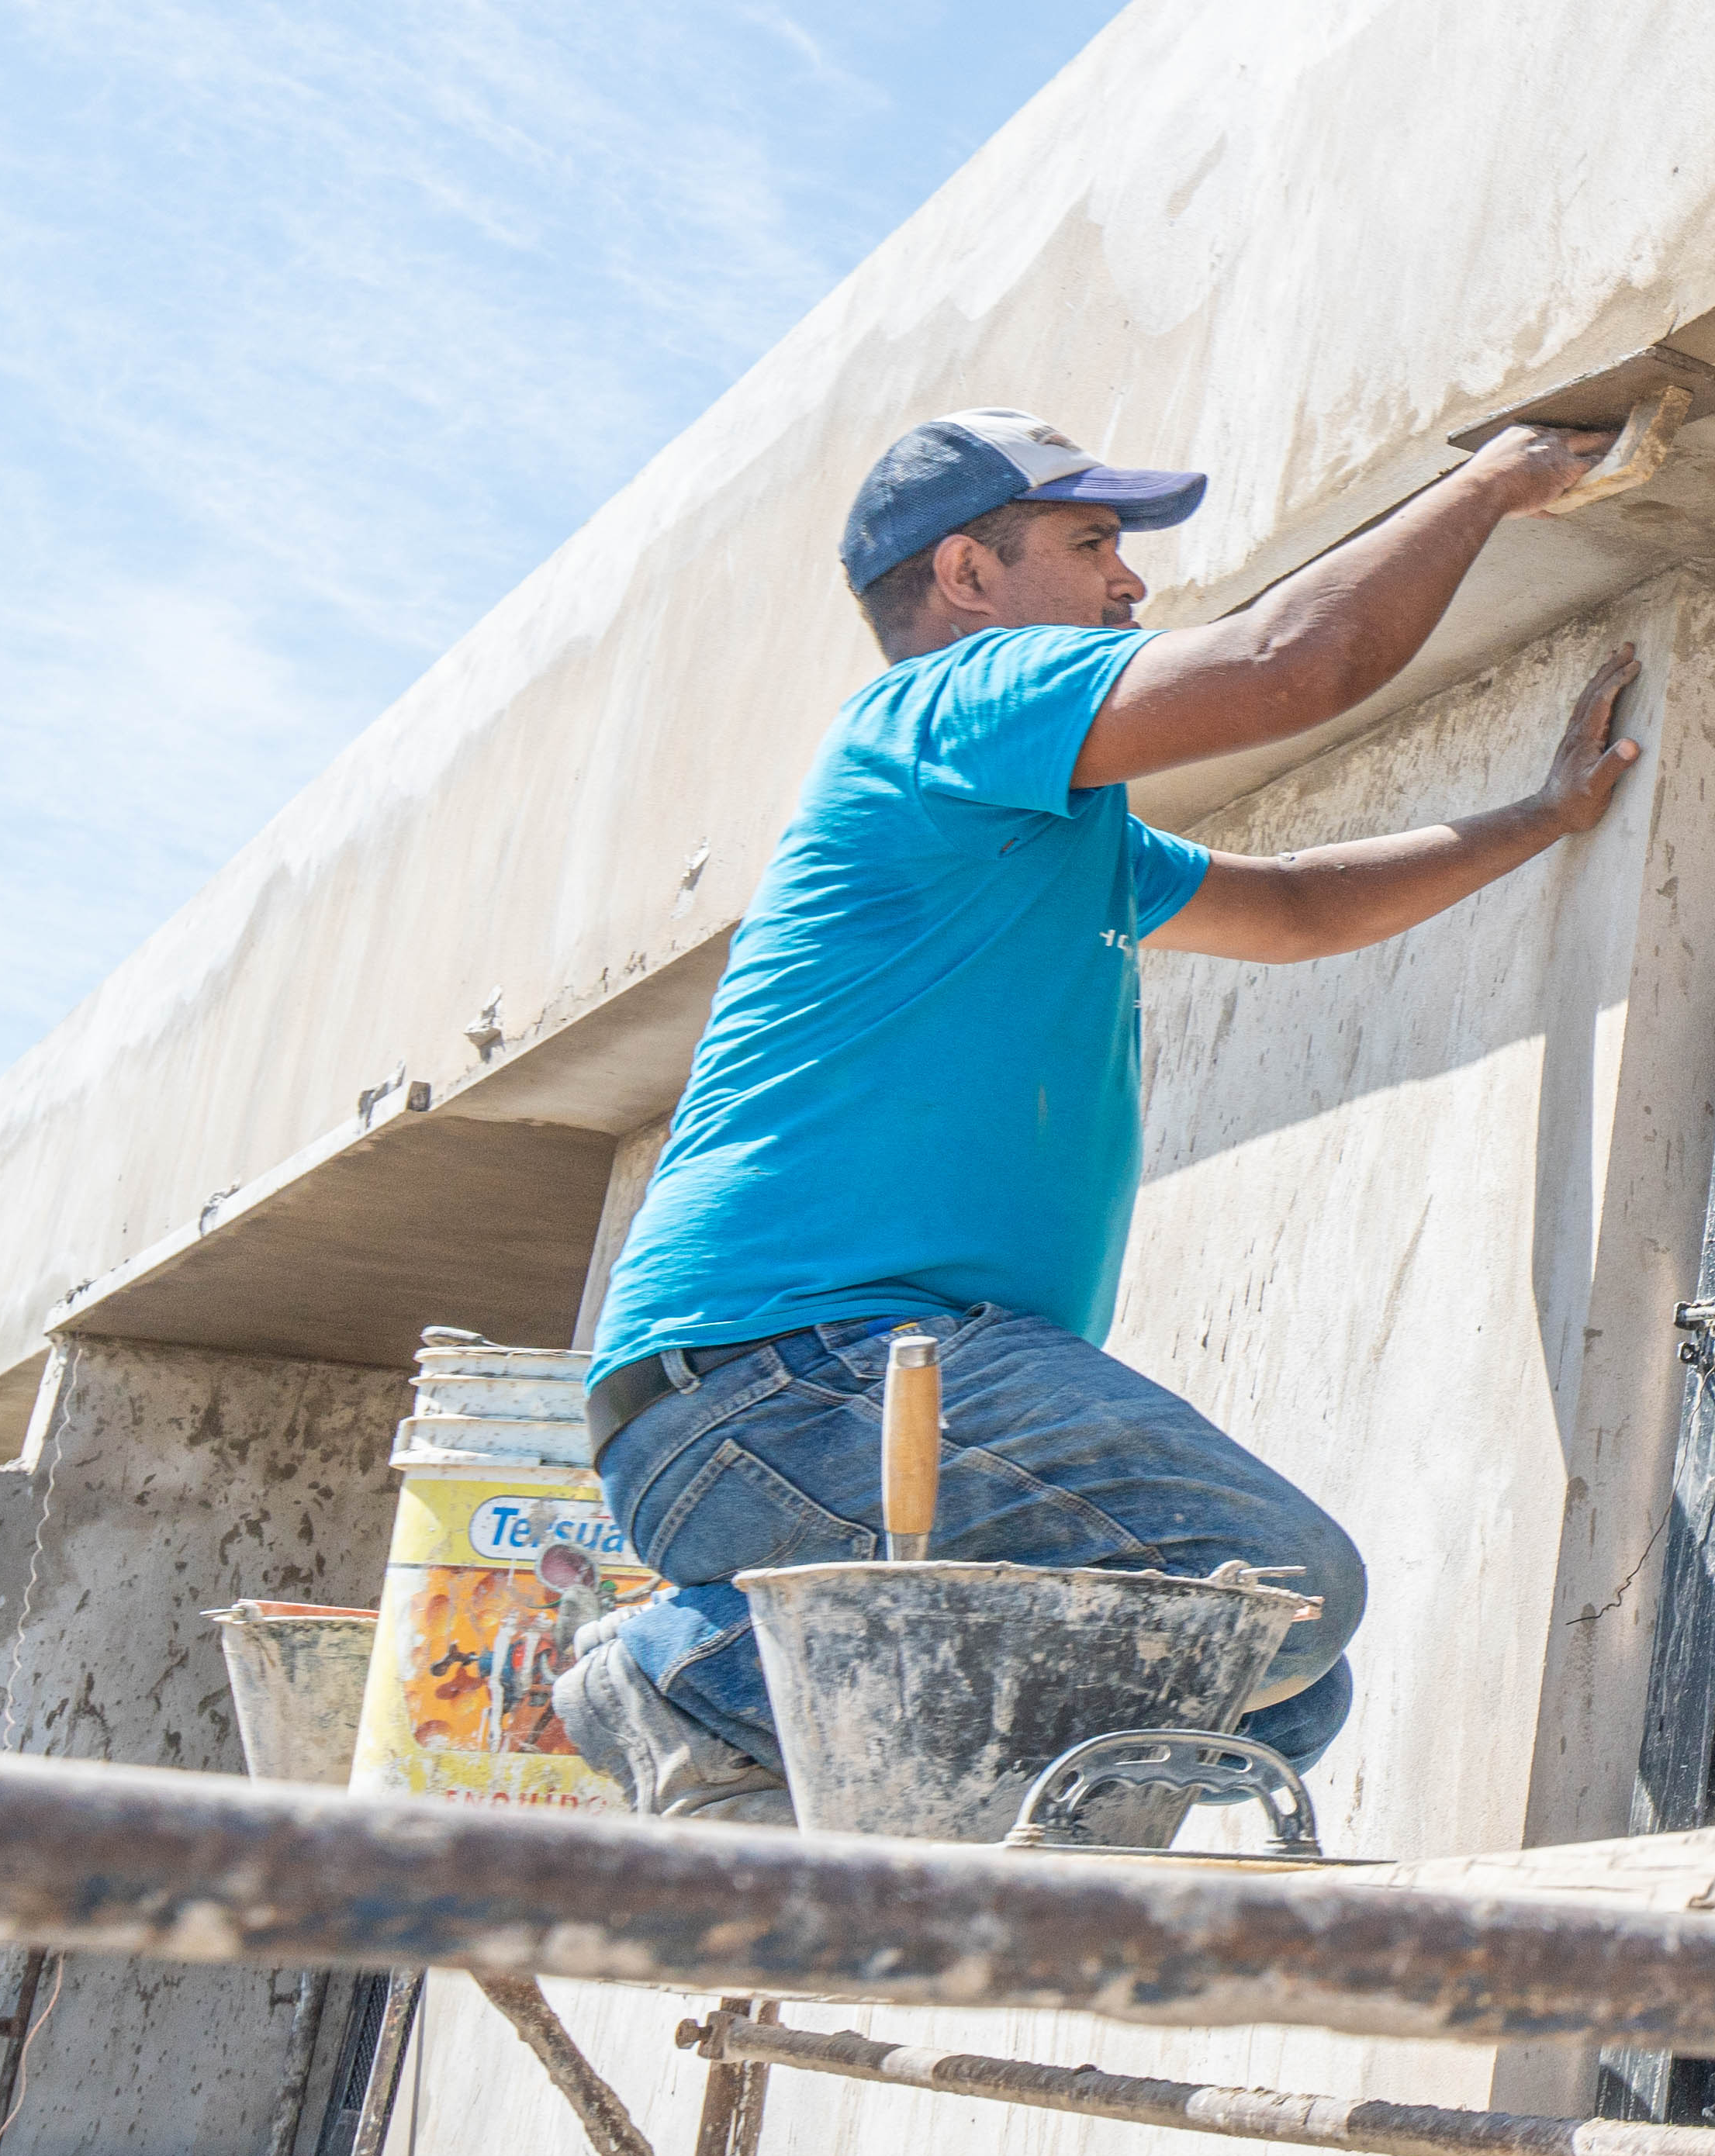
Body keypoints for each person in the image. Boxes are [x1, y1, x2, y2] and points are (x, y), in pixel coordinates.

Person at [554, 403, 1648, 1823]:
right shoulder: (947, 706)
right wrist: (1496, 484)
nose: (1130, 582)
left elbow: (1307, 906)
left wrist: (1542, 818)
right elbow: (1286, 666)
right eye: (1091, 543)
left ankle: (761, 1742)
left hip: (806, 1403)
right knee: (1279, 1596)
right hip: (799, 1375)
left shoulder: (1054, 837)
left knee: (1279, 1688)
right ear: (966, 576)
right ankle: (688, 1670)